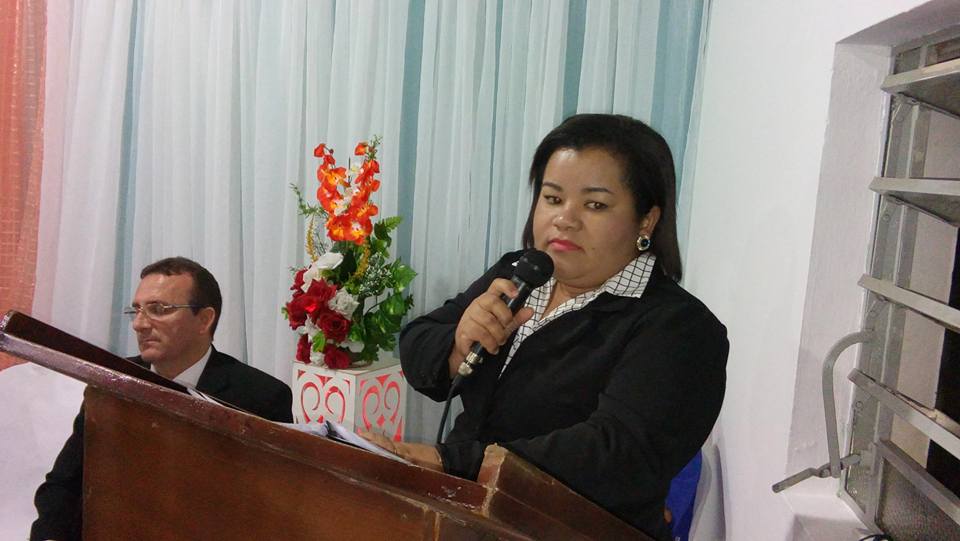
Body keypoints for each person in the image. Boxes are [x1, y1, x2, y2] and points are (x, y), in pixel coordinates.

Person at [364, 114, 728, 540]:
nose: (565, 219)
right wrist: (458, 343)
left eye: (595, 205)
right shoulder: (520, 274)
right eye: (553, 198)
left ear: (646, 220)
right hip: (465, 517)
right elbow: (418, 342)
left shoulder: (680, 328)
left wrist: (453, 462)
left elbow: (616, 452)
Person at [30, 257, 293, 541]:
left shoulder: (260, 397)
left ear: (204, 319)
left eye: (158, 310)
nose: (140, 325)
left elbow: (270, 515)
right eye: (137, 310)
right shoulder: (112, 381)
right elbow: (63, 485)